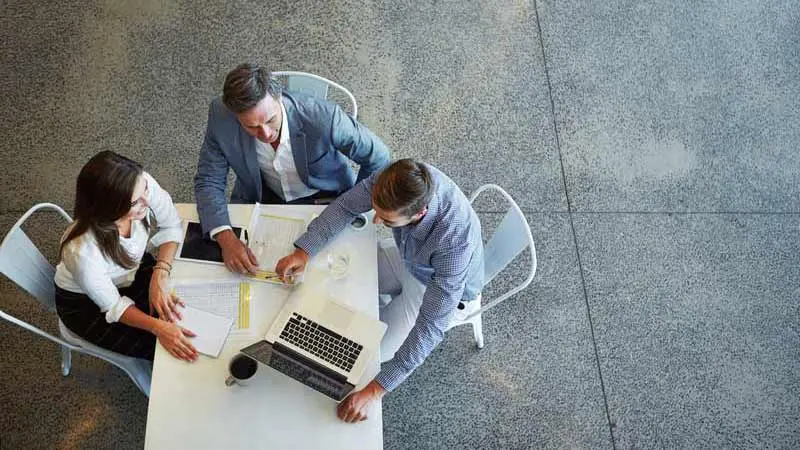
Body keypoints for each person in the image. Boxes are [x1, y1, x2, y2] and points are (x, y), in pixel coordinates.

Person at [275, 158, 484, 423]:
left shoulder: (454, 243)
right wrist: (304, 251)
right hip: (411, 260)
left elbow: (430, 327)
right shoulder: (395, 179)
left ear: (418, 213)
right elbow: (346, 206)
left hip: (439, 289)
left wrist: (375, 391)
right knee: (346, 282)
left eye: (386, 219)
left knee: (368, 353)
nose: (375, 220)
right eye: (376, 210)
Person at [194, 63, 391, 276]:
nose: (267, 134)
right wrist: (225, 237)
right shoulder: (220, 115)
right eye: (251, 127)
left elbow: (379, 158)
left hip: (326, 200)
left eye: (271, 120)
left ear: (279, 98)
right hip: (262, 196)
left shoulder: (325, 117)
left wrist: (355, 202)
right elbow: (208, 179)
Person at [54, 151, 198, 362]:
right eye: (135, 203)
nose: (147, 202)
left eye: (146, 191)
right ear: (107, 208)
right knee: (163, 348)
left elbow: (171, 224)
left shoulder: (139, 183)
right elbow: (114, 306)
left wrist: (159, 275)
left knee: (184, 311)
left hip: (130, 269)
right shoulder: (82, 252)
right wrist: (158, 328)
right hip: (85, 305)